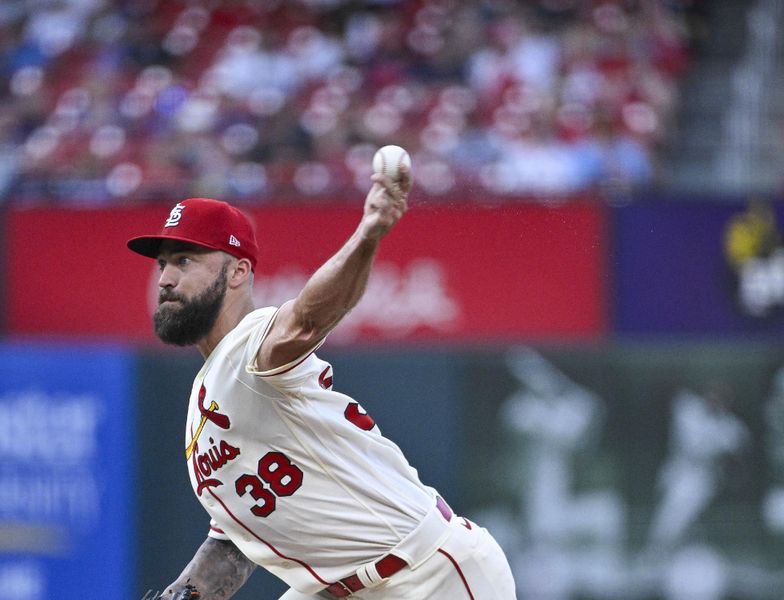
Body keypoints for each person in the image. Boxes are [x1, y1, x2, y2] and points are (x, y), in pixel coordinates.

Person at [127, 168, 516, 599]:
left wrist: (368, 234)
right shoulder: (209, 394)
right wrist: (184, 592)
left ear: (237, 272)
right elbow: (233, 543)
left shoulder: (248, 344)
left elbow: (305, 322)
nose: (165, 279)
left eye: (185, 261)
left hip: (424, 575)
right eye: (163, 264)